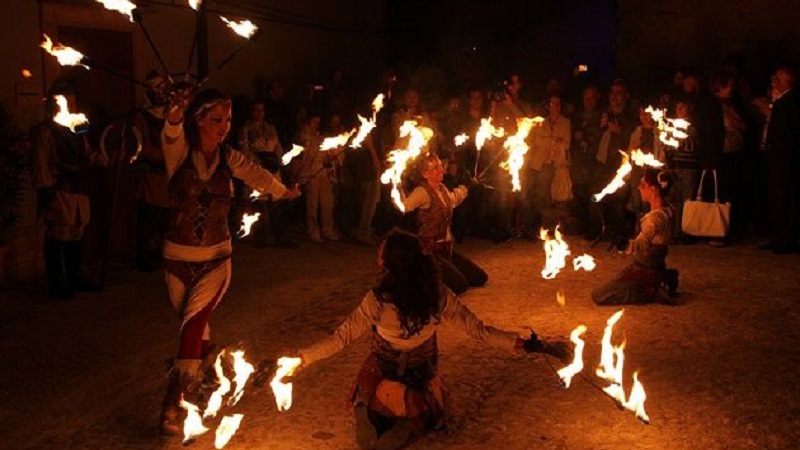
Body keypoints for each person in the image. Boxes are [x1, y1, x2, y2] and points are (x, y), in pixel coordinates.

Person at [297, 230, 570, 450]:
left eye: (382, 254)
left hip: (388, 370)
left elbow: (341, 338)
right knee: (415, 409)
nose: (378, 258)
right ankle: (406, 416)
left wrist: (300, 359)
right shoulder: (437, 295)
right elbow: (479, 330)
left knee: (371, 402)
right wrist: (521, 343)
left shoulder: (377, 301)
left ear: (390, 263)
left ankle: (380, 414)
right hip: (420, 371)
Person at [158, 88, 300, 435]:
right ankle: (209, 379)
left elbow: (257, 175)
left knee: (192, 326)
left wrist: (283, 192)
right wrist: (175, 110)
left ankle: (174, 402)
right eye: (216, 120)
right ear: (200, 119)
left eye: (228, 120)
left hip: (217, 260)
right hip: (175, 259)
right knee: (196, 333)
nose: (224, 127)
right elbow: (171, 129)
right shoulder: (178, 153)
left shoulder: (230, 158)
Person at [30, 79, 108, 299]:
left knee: (76, 232)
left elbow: (87, 153)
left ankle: (74, 277)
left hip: (78, 187)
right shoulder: (43, 132)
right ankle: (56, 281)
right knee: (59, 233)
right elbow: (40, 161)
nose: (70, 107)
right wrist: (46, 189)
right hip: (58, 188)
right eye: (65, 102)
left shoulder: (76, 127)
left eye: (72, 103)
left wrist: (105, 158)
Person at [592, 168, 679, 305]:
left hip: (647, 271)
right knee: (616, 282)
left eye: (643, 184)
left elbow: (642, 242)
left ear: (653, 189)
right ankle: (664, 278)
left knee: (599, 295)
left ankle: (654, 291)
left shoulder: (655, 219)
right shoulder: (668, 209)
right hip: (644, 266)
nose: (639, 187)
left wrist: (626, 245)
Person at [401, 154, 486, 295]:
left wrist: (469, 185)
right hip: (430, 252)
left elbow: (454, 198)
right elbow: (406, 205)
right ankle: (422, 274)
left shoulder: (442, 189)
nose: (441, 170)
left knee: (480, 278)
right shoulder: (422, 191)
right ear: (425, 173)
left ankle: (441, 272)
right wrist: (396, 187)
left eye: (440, 166)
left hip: (446, 251)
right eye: (435, 168)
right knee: (460, 286)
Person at [238, 98, 297, 249]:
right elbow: (244, 149)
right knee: (258, 202)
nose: (259, 113)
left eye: (261, 110)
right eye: (256, 110)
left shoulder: (270, 127)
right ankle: (260, 236)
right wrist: (259, 162)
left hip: (273, 167)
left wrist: (278, 160)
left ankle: (279, 236)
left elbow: (277, 146)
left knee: (277, 200)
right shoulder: (246, 128)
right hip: (257, 168)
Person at [131, 71, 171, 271]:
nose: (161, 94)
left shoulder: (171, 114)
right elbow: (141, 147)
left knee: (169, 220)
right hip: (153, 178)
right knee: (149, 218)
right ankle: (144, 255)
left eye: (163, 89)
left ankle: (166, 254)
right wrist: (165, 153)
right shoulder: (141, 118)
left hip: (171, 177)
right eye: (157, 90)